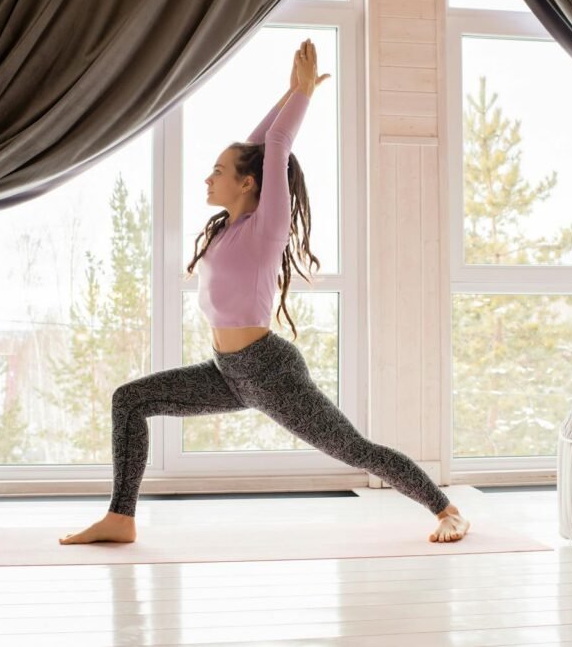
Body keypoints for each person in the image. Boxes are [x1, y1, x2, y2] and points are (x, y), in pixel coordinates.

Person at [60, 39, 470, 545]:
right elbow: (258, 146)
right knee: (130, 400)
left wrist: (301, 100)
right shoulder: (233, 227)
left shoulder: (265, 229)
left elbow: (274, 148)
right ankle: (121, 518)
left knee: (353, 448)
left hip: (269, 371)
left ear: (249, 184)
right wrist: (288, 93)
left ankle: (447, 509)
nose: (207, 177)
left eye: (217, 171)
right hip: (226, 372)